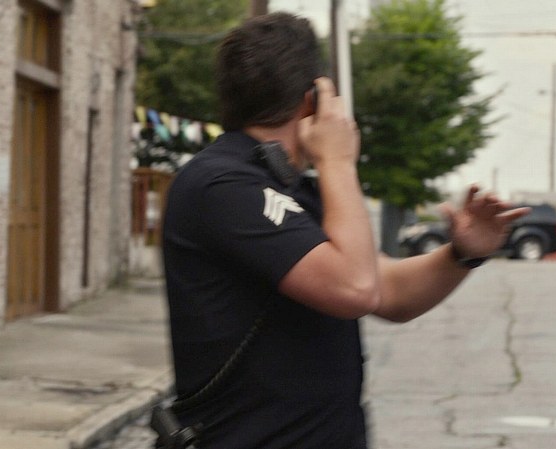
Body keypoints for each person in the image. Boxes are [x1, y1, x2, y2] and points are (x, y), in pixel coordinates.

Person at [160, 12, 529, 449]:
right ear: (314, 100)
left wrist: (461, 254)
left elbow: (386, 289)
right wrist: (336, 160)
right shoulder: (223, 185)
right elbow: (355, 290)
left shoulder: (294, 190)